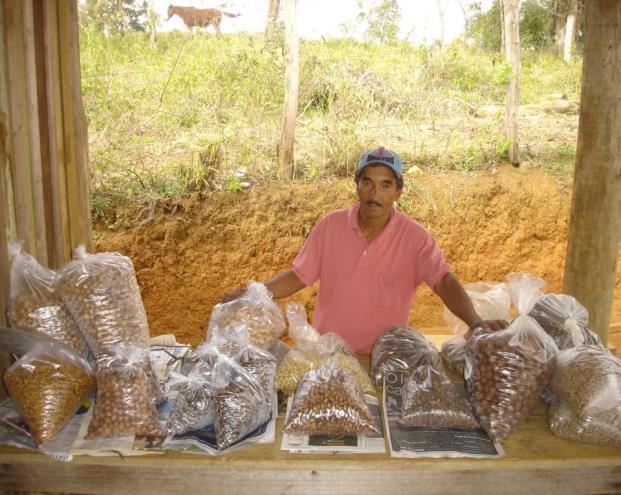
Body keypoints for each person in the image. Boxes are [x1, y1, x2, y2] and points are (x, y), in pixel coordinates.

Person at [223, 146, 508, 353]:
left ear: (398, 191)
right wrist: (254, 292)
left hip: (383, 358)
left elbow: (444, 280)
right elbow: (299, 276)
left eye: (386, 185)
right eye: (368, 183)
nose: (375, 194)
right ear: (357, 186)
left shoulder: (415, 238)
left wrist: (475, 323)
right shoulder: (330, 226)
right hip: (327, 354)